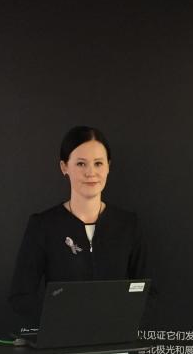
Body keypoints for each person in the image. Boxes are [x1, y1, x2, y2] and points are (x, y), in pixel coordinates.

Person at [9, 125, 149, 324]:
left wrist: (120, 318)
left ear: (109, 166)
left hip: (115, 346)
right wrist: (62, 318)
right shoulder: (44, 225)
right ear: (64, 167)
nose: (91, 173)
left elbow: (148, 291)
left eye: (98, 163)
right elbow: (21, 296)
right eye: (81, 164)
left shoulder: (128, 225)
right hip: (62, 345)